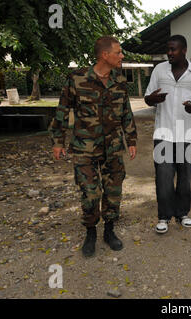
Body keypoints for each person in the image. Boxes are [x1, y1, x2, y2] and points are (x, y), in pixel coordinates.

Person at [49, 36, 138, 257]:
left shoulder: (120, 80)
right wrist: (58, 142)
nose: (122, 56)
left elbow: (126, 112)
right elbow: (62, 111)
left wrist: (131, 140)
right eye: (118, 52)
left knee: (113, 191)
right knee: (90, 193)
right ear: (104, 55)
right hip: (84, 148)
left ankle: (109, 230)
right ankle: (90, 232)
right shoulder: (77, 79)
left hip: (114, 147)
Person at [144, 34, 191, 234]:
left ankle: (182, 213)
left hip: (187, 135)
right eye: (168, 49)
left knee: (184, 177)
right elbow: (148, 98)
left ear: (184, 50)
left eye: (173, 49)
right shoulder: (160, 70)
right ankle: (164, 217)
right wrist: (153, 98)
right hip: (164, 133)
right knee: (163, 177)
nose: (169, 53)